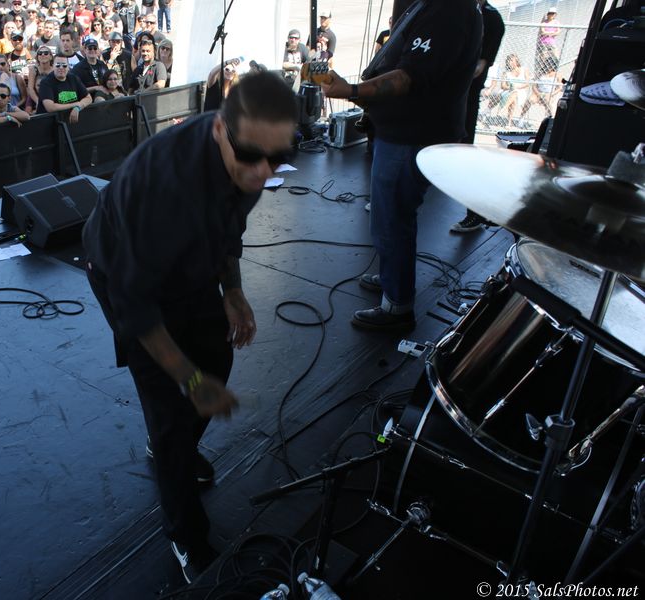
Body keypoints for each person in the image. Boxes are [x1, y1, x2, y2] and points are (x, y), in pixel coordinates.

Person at [82, 71, 297, 584]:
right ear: (220, 129)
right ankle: (185, 535)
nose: (263, 172)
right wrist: (190, 380)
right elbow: (137, 307)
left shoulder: (249, 156)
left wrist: (233, 290)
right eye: (252, 156)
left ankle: (173, 448)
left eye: (277, 157)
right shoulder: (162, 187)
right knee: (171, 407)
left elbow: (229, 226)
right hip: (128, 273)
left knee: (217, 356)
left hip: (189, 265)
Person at [320, 0, 482, 331]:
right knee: (392, 215)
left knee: (392, 219)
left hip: (411, 136)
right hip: (405, 132)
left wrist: (351, 90)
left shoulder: (449, 11)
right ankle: (392, 277)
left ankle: (397, 306)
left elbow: (409, 77)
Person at [451, 0, 505, 234]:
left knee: (463, 157)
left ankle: (475, 214)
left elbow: (480, 66)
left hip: (464, 98)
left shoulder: (491, 18)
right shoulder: (459, 11)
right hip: (449, 98)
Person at [35, 54, 89, 121]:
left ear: (68, 67)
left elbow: (88, 98)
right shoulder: (45, 82)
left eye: (64, 65)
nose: (61, 67)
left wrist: (78, 108)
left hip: (69, 121)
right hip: (48, 122)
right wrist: (74, 105)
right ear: (53, 66)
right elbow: (50, 107)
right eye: (58, 65)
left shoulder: (74, 78)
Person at [26, 44, 52, 111]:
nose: (43, 55)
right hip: (35, 96)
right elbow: (30, 89)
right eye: (40, 53)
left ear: (51, 57)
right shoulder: (33, 70)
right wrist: (38, 101)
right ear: (37, 57)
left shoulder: (54, 70)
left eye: (46, 53)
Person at [535, 7, 560, 73]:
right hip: (543, 42)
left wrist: (548, 33)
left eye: (553, 14)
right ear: (548, 14)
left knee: (556, 55)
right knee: (543, 57)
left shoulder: (556, 22)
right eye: (551, 13)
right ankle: (542, 70)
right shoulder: (544, 22)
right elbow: (543, 31)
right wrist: (552, 33)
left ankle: (554, 69)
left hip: (551, 42)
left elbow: (558, 32)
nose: (552, 15)